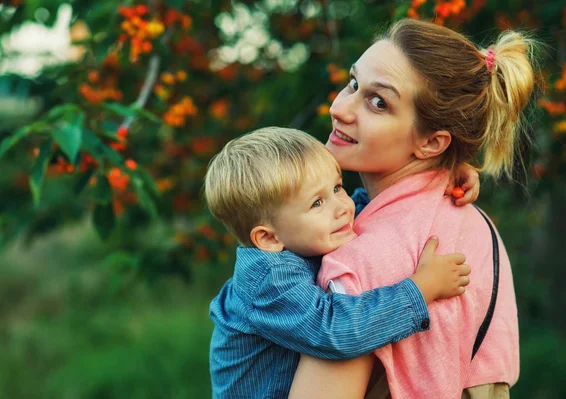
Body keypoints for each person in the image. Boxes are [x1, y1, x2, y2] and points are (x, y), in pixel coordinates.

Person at [289, 18, 538, 399]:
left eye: (378, 102)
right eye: (353, 83)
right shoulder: (477, 225)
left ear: (432, 143)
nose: (340, 108)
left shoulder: (363, 263)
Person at [205, 127, 478, 398]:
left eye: (337, 188)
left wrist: (438, 175)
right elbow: (336, 330)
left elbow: (371, 206)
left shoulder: (308, 235)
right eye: (317, 203)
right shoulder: (269, 280)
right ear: (267, 238)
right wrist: (421, 289)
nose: (342, 207)